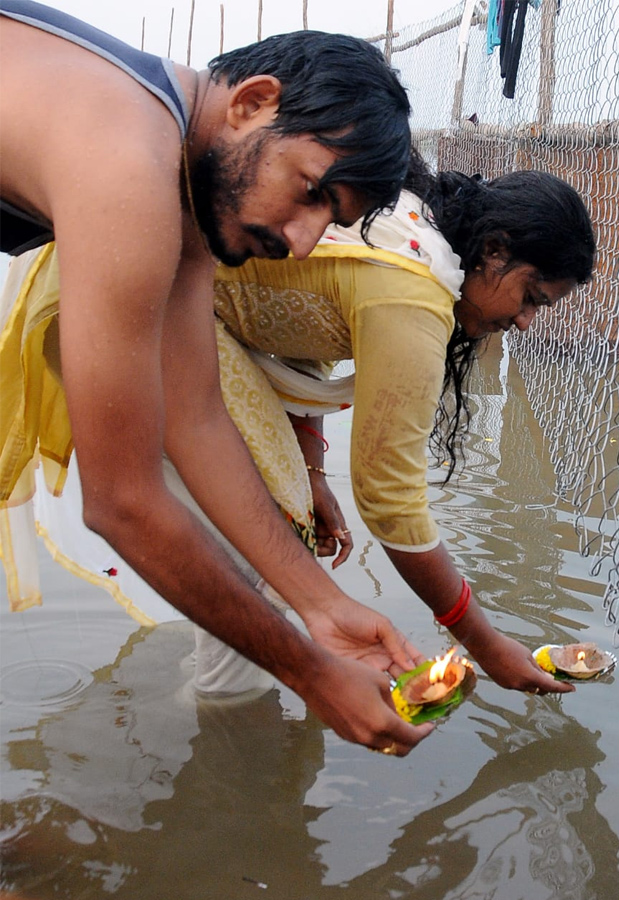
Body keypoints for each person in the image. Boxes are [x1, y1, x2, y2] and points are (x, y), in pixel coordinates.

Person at [0, 1, 430, 754]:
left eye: (327, 222)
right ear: (252, 103)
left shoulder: (185, 184)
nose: (299, 245)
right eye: (309, 191)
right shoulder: (128, 158)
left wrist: (322, 605)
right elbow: (124, 502)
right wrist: (311, 673)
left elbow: (196, 417)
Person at [4, 158, 597, 697]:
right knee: (270, 543)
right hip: (128, 294)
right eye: (531, 297)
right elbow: (391, 501)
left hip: (121, 281)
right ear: (493, 249)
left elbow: (291, 334)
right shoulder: (416, 294)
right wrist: (484, 643)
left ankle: (212, 697)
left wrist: (312, 470)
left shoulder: (413, 232)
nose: (523, 322)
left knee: (269, 530)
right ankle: (230, 741)